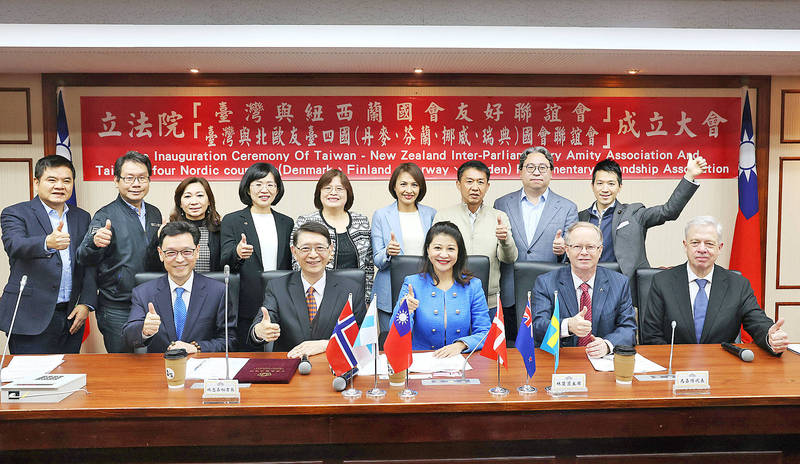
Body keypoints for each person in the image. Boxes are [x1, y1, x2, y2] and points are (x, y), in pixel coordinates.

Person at [641, 216, 789, 354]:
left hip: (722, 367)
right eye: (695, 243)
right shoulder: (663, 282)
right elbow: (651, 335)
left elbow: (757, 321)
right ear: (685, 246)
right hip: (674, 367)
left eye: (709, 244)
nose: (702, 249)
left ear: (720, 247)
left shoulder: (738, 285)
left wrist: (770, 337)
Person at [0, 155, 97, 354]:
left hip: (71, 314)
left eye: (66, 181)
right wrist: (47, 242)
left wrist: (86, 303)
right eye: (52, 180)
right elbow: (14, 244)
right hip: (30, 315)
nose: (59, 186)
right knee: (29, 380)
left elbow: (87, 262)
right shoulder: (16, 212)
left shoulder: (82, 216)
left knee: (68, 377)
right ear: (36, 182)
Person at [77, 151, 162, 353]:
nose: (136, 184)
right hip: (117, 307)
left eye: (142, 178)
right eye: (129, 178)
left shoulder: (154, 212)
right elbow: (82, 255)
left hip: (150, 302)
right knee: (123, 365)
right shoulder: (105, 215)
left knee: (152, 363)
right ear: (116, 180)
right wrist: (94, 242)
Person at [577, 156, 708, 279]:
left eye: (611, 184)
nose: (605, 189)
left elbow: (669, 211)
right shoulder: (580, 218)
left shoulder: (634, 213)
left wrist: (689, 175)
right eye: (600, 183)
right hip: (589, 284)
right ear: (592, 185)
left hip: (625, 286)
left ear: (619, 187)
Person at [494, 146, 577, 337]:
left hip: (551, 288)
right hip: (511, 287)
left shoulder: (567, 207)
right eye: (530, 167)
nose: (537, 172)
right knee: (512, 346)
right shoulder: (502, 203)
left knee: (548, 346)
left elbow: (572, 252)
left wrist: (562, 251)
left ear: (551, 172)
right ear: (520, 171)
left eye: (543, 167)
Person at [249, 221, 366, 358]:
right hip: (290, 366)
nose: (313, 255)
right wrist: (259, 331)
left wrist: (326, 344)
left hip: (335, 368)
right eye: (305, 249)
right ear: (294, 251)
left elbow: (362, 338)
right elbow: (260, 326)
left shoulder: (351, 289)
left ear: (330, 250)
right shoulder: (277, 287)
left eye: (320, 248)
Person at [122, 221, 236, 353]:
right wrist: (144, 330)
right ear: (160, 254)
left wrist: (196, 348)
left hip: (203, 368)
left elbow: (230, 341)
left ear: (197, 251)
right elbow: (128, 338)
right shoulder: (143, 292)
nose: (180, 259)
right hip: (160, 369)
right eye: (171, 253)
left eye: (187, 251)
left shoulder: (218, 291)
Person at [532, 222, 636, 358]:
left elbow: (628, 328)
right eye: (577, 247)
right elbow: (537, 327)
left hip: (602, 361)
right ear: (567, 250)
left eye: (590, 247)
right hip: (561, 360)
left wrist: (607, 345)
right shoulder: (545, 283)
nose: (584, 252)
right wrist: (568, 325)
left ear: (600, 250)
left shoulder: (619, 283)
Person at [220, 162, 293, 351]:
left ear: (277, 189)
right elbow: (223, 262)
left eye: (270, 184)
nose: (264, 190)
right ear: (248, 187)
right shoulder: (232, 220)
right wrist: (237, 254)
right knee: (249, 360)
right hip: (246, 303)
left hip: (281, 302)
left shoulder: (286, 222)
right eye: (258, 184)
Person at [392, 221, 491, 357]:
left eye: (450, 249)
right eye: (437, 248)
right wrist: (405, 311)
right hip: (421, 361)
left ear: (458, 252)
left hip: (460, 361)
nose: (444, 255)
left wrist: (461, 345)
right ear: (428, 250)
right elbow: (395, 335)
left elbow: (485, 331)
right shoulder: (412, 283)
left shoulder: (473, 286)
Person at [434, 160, 517, 312]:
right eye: (469, 181)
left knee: (487, 336)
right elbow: (435, 255)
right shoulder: (443, 216)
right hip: (451, 296)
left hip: (488, 299)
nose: (475, 187)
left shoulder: (499, 216)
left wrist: (505, 240)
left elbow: (509, 258)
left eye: (480, 182)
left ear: (487, 186)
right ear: (458, 184)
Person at [371, 163, 436, 332]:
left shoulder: (431, 214)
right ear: (394, 186)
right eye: (403, 184)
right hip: (389, 289)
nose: (409, 190)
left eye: (414, 185)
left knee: (422, 343)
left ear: (420, 188)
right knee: (392, 340)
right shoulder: (381, 215)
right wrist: (387, 252)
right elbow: (377, 260)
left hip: (425, 286)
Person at [293, 169, 373, 305]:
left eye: (339, 188)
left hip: (353, 297)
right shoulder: (305, 222)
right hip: (317, 298)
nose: (333, 192)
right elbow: (296, 264)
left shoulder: (362, 221)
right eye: (327, 188)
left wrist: (366, 300)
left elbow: (368, 266)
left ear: (348, 193)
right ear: (319, 193)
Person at [168, 177, 222, 273]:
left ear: (209, 201)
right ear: (180, 203)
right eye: (187, 196)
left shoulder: (220, 230)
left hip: (212, 285)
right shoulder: (169, 230)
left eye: (200, 195)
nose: (194, 202)